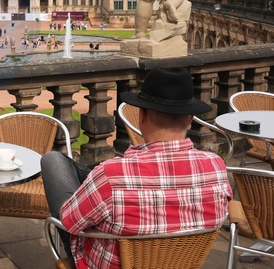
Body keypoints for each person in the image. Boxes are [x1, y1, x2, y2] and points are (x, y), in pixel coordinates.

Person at [41, 67, 232, 269]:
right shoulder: (216, 167)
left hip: (99, 264)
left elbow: (69, 221)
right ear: (191, 119)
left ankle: (91, 195)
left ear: (142, 116)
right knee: (98, 184)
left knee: (53, 160)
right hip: (178, 263)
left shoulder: (111, 175)